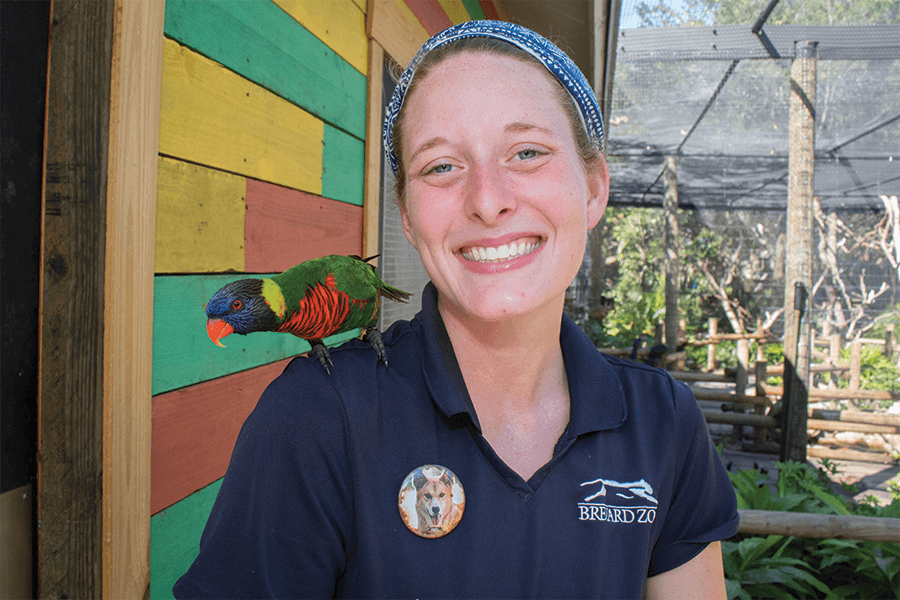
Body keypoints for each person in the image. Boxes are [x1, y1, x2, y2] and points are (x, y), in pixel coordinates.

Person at [174, 20, 738, 599]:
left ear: (594, 187)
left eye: (526, 152)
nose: (489, 200)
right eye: (441, 166)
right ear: (409, 219)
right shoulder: (314, 416)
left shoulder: (664, 423)